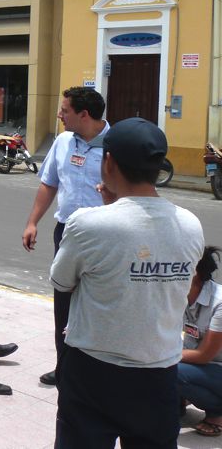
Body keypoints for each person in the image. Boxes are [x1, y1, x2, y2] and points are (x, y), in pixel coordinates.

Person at [51, 117, 204, 447]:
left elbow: (61, 282)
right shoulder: (191, 225)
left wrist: (111, 210)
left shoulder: (88, 224)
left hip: (93, 370)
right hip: (159, 372)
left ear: (108, 162)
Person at [22, 86, 109, 385]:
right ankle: (65, 368)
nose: (59, 115)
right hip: (68, 234)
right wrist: (33, 222)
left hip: (106, 238)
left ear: (83, 115)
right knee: (64, 302)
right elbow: (49, 183)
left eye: (64, 110)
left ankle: (98, 371)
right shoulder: (62, 142)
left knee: (101, 302)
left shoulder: (116, 145)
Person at [178, 246, 222, 438]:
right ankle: (177, 401)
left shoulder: (219, 302)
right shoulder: (176, 296)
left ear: (194, 273)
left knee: (168, 369)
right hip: (196, 365)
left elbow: (205, 355)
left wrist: (160, 355)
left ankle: (217, 412)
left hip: (215, 366)